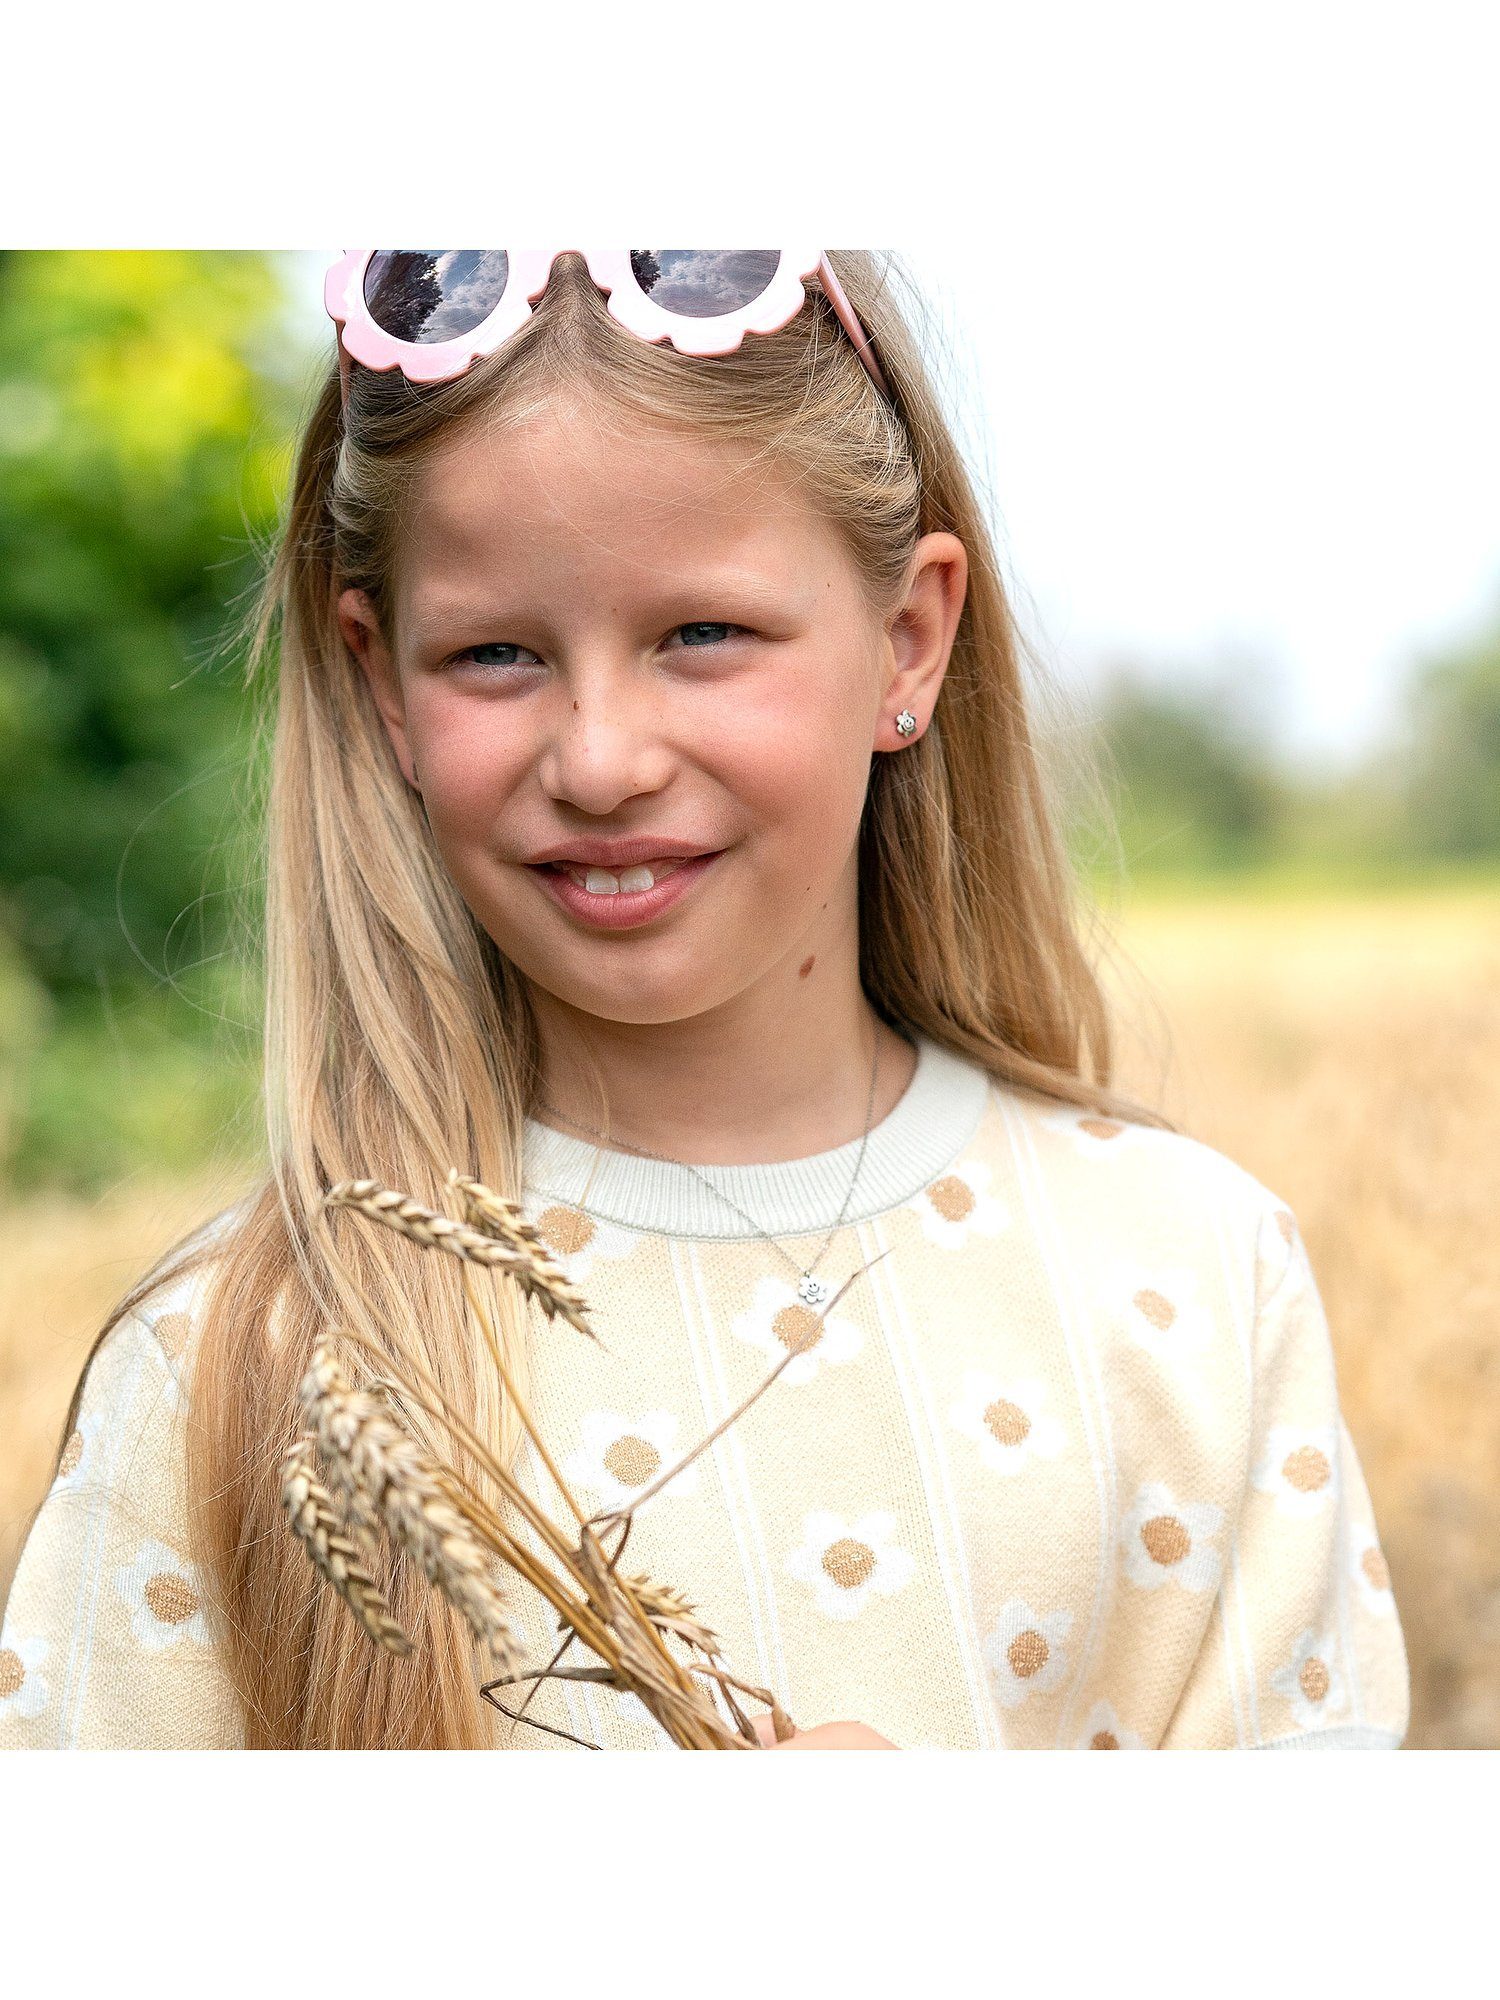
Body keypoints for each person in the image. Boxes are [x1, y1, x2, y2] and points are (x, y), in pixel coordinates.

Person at [0, 249, 1409, 1751]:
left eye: (702, 636)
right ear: (383, 686)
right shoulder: (246, 1364)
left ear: (910, 641)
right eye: (494, 655)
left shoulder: (1187, 1279)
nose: (600, 758)